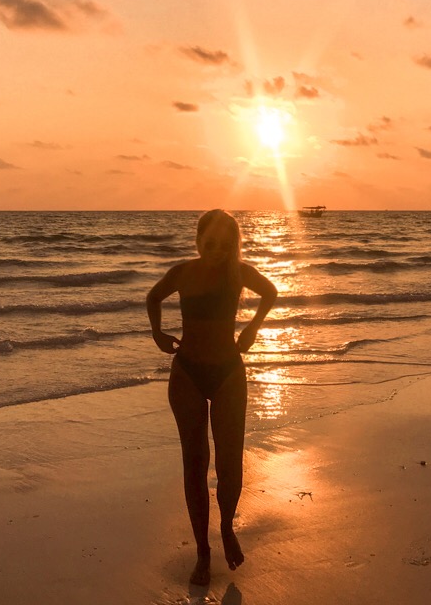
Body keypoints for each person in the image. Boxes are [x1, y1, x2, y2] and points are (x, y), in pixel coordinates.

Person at [146, 209, 278, 587]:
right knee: (194, 463)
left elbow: (270, 292)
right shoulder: (183, 272)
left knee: (229, 462)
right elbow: (153, 297)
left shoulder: (240, 272)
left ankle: (227, 527)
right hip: (187, 372)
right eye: (210, 243)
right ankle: (203, 552)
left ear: (233, 244)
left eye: (224, 244)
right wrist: (157, 333)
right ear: (199, 241)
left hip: (228, 374)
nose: (217, 250)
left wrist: (252, 329)